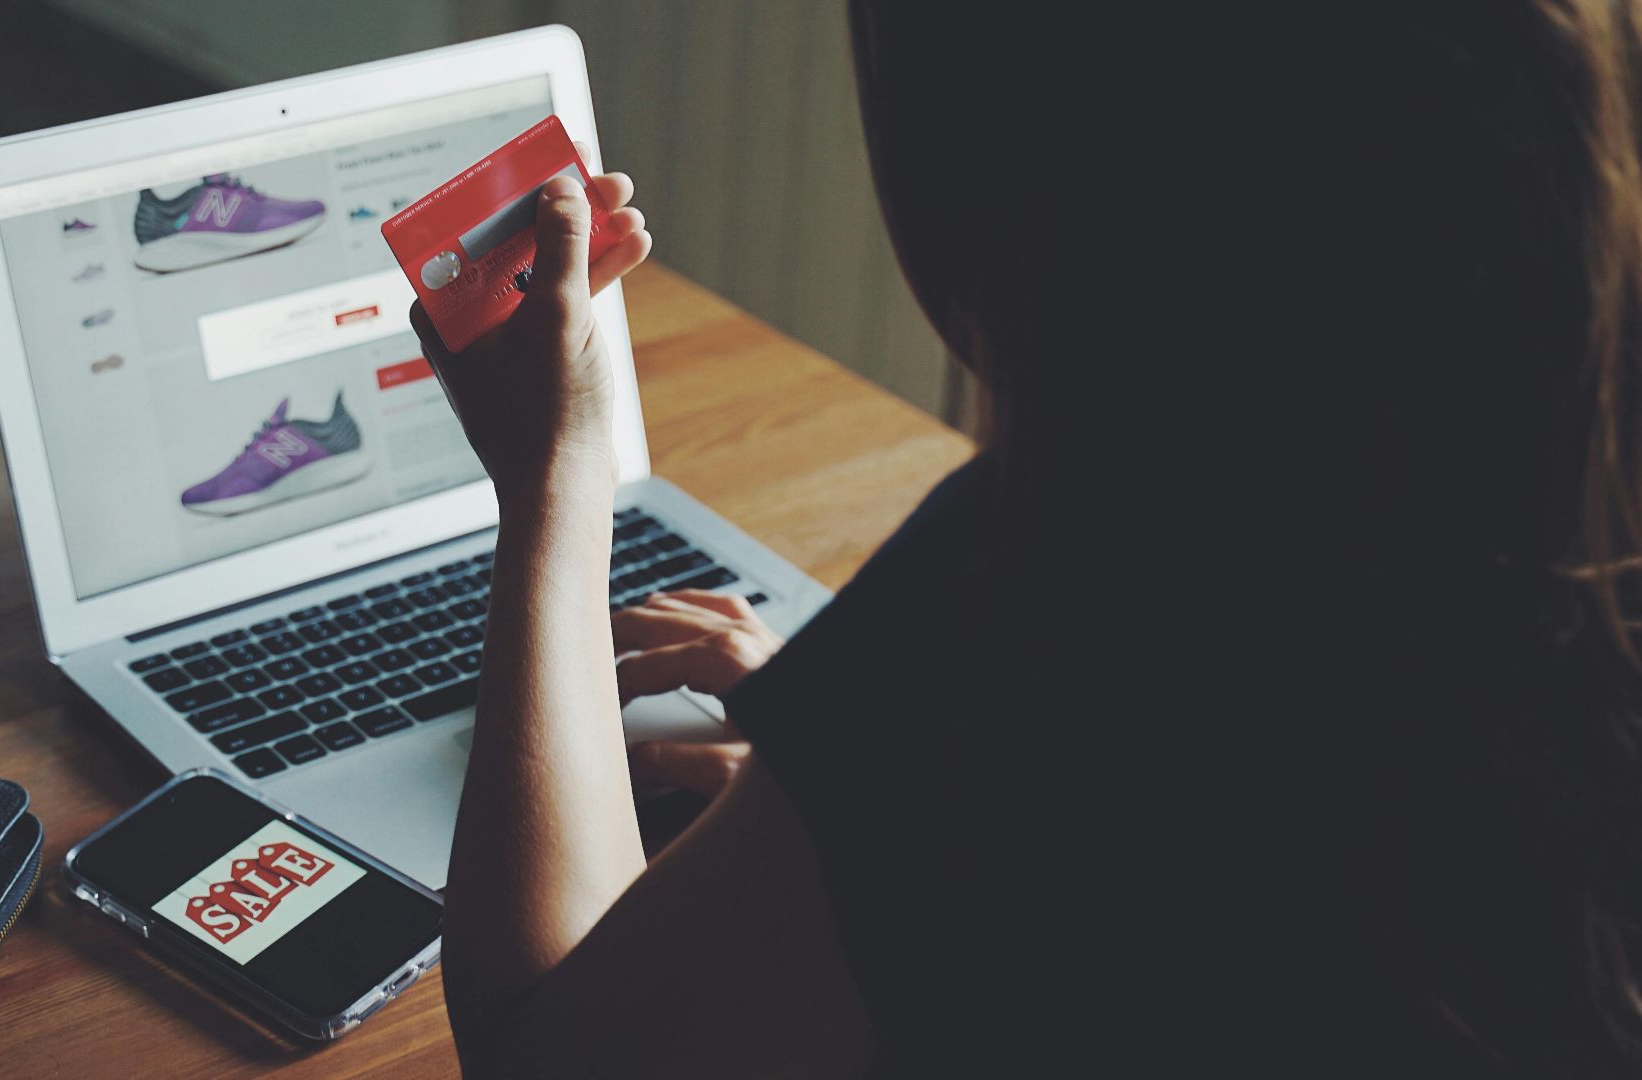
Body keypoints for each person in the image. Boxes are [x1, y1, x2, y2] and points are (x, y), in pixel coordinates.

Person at [411, 1, 1642, 1074]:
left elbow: (544, 1054)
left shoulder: (1055, 595)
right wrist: (843, 815)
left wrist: (557, 476)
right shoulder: (1574, 505)